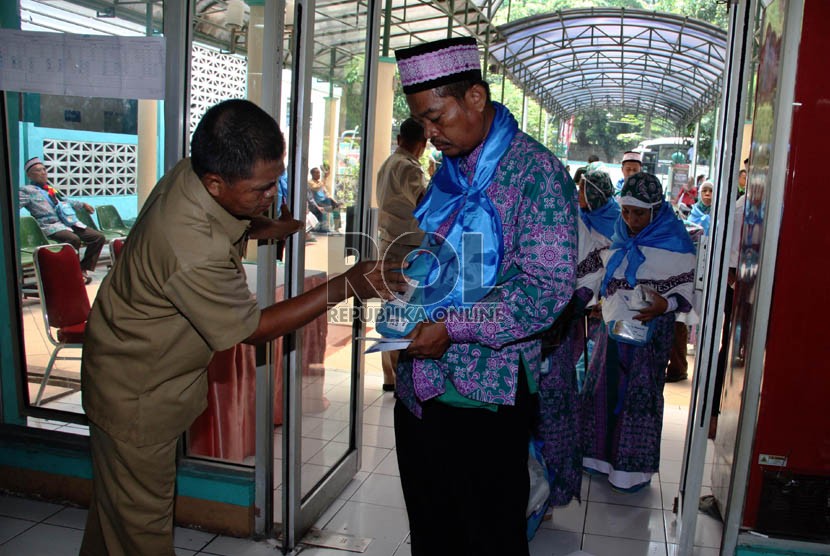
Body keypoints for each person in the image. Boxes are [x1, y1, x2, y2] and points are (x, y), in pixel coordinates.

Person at [78, 99, 407, 556]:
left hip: (136, 369)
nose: (271, 194)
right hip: (136, 391)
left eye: (274, 181)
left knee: (117, 510)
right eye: (261, 188)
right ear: (216, 182)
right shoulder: (189, 246)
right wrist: (346, 284)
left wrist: (262, 226)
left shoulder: (193, 172)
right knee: (142, 528)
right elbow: (252, 328)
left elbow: (223, 220)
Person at [393, 37, 577, 555]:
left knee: (487, 535)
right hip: (420, 391)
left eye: (436, 118)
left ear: (475, 97)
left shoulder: (535, 175)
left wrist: (452, 328)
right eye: (423, 124)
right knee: (431, 532)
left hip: (485, 396)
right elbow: (441, 257)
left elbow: (547, 288)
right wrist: (405, 285)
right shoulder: (449, 171)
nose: (429, 135)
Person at [581, 172, 696, 493]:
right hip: (614, 329)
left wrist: (666, 304)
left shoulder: (676, 242)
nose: (631, 220)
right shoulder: (619, 235)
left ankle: (631, 471)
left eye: (639, 213)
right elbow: (607, 276)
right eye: (626, 211)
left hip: (650, 332)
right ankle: (597, 459)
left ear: (656, 210)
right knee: (603, 387)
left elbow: (687, 289)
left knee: (639, 396)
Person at [536, 164, 618, 511]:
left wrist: (561, 317)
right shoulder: (515, 219)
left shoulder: (576, 227)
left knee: (552, 413)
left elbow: (588, 278)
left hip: (553, 341)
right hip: (509, 346)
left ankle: (549, 497)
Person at [376, 117, 429, 392]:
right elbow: (424, 203)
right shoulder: (409, 168)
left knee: (392, 311)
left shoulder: (388, 164)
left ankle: (389, 377)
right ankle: (401, 380)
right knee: (403, 315)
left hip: (389, 245)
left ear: (399, 139)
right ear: (422, 144)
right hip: (406, 251)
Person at [19, 156, 106, 284]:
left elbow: (65, 200)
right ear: (29, 175)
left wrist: (82, 204)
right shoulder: (26, 190)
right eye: (38, 170)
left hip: (68, 222)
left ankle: (82, 269)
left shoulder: (50, 188)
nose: (43, 173)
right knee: (72, 239)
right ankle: (71, 273)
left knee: (98, 237)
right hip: (50, 226)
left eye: (44, 169)